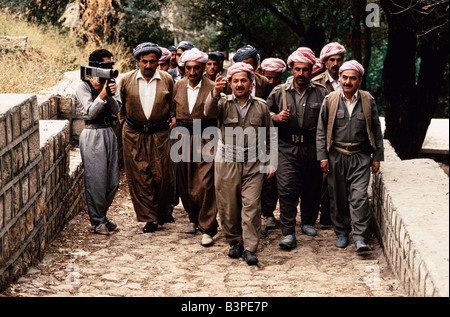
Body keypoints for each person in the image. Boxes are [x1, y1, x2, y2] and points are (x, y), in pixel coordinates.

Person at [204, 62, 277, 265]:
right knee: (229, 206)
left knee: (252, 205)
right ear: (229, 83)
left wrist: (271, 162)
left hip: (254, 163)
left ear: (251, 82)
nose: (239, 84)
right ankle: (235, 241)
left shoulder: (261, 106)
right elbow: (208, 112)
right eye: (235, 81)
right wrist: (214, 93)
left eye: (243, 80)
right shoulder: (222, 103)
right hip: (227, 161)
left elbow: (270, 135)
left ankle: (250, 247)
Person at [316, 60, 384, 252]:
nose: (347, 82)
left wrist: (377, 156)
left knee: (360, 197)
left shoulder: (368, 100)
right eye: (344, 77)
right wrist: (322, 157)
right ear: (340, 78)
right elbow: (321, 130)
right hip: (336, 156)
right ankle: (342, 233)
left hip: (360, 156)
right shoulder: (330, 100)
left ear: (359, 80)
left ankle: (360, 236)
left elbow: (376, 130)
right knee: (337, 197)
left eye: (352, 78)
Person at [266, 47, 328, 249]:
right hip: (286, 146)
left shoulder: (321, 93)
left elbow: (328, 120)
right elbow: (261, 114)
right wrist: (275, 117)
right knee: (287, 188)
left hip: (312, 145)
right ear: (291, 69)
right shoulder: (278, 92)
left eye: (306, 70)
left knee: (312, 186)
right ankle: (288, 231)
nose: (301, 74)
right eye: (297, 69)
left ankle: (308, 221)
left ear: (312, 70)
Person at [118, 42, 175, 233]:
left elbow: (173, 105)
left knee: (163, 177)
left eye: (152, 62)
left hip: (160, 134)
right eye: (144, 62)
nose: (148, 66)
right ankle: (149, 217)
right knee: (140, 176)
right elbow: (120, 109)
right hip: (134, 134)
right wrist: (127, 127)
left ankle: (162, 212)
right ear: (137, 62)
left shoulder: (167, 79)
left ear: (158, 62)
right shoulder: (126, 80)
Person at [172, 48, 218, 246]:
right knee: (184, 180)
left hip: (206, 136)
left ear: (203, 68)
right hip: (182, 136)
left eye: (196, 68)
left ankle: (208, 227)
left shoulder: (213, 87)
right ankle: (193, 218)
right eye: (188, 68)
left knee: (206, 182)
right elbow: (170, 108)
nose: (192, 72)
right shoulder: (178, 85)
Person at [75, 49, 122, 235]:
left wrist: (108, 94)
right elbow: (89, 113)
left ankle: (102, 214)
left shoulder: (111, 84)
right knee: (96, 180)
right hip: (92, 132)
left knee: (113, 181)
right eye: (105, 66)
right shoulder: (82, 86)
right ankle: (98, 221)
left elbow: (116, 109)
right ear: (94, 67)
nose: (109, 70)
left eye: (111, 66)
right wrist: (100, 95)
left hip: (108, 131)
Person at [312, 42, 346, 227]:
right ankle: (324, 212)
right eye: (331, 60)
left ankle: (336, 214)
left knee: (341, 178)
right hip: (322, 136)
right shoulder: (317, 83)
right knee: (323, 177)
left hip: (344, 136)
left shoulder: (349, 80)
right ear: (325, 62)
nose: (335, 63)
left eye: (338, 59)